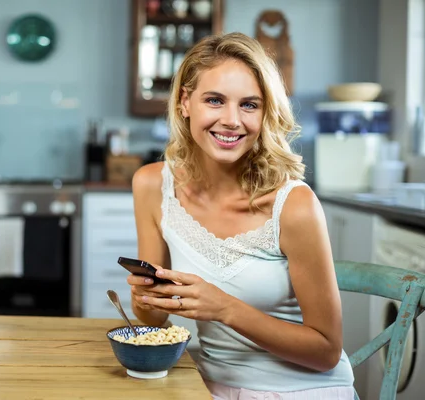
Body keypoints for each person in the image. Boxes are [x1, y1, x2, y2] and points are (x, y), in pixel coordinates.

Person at [127, 32, 355, 400]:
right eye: (215, 100)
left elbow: (326, 351)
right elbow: (154, 319)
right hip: (205, 385)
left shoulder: (294, 205)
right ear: (186, 102)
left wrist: (224, 308)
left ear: (265, 113)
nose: (232, 120)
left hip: (300, 390)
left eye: (249, 105)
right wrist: (144, 300)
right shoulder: (152, 185)